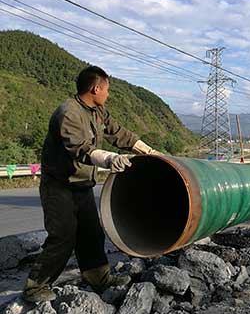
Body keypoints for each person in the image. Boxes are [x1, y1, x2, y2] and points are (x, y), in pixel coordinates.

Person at [23, 65, 160, 302]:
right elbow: (80, 148)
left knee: (91, 234)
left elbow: (119, 133)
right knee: (63, 236)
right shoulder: (69, 113)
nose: (108, 94)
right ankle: (35, 287)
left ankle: (98, 278)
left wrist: (150, 151)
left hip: (82, 184)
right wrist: (110, 159)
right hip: (59, 186)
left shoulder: (97, 111)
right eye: (107, 89)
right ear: (96, 88)